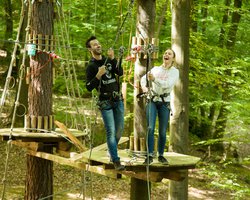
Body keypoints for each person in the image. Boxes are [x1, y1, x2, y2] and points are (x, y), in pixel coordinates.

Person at [85, 36, 125, 171]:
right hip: (105, 102)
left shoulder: (108, 60)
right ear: (90, 49)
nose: (98, 46)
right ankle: (116, 160)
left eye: (99, 43)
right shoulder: (91, 66)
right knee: (111, 131)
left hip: (117, 99)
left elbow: (120, 72)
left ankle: (111, 150)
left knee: (119, 130)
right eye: (95, 45)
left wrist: (113, 58)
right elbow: (89, 87)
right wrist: (98, 75)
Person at [140, 48, 179, 165]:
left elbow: (168, 85)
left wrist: (155, 79)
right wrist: (145, 88)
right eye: (165, 53)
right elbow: (143, 79)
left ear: (173, 58)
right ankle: (149, 155)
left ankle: (161, 155)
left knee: (162, 131)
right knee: (150, 128)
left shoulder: (174, 72)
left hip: (164, 102)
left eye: (169, 54)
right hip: (152, 100)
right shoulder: (156, 69)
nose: (166, 55)